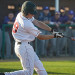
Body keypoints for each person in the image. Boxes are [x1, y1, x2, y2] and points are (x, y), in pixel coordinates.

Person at [0, 1, 63, 75]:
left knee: (40, 68)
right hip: (24, 47)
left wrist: (52, 31)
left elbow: (38, 22)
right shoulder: (26, 24)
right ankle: (5, 74)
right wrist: (55, 35)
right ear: (26, 12)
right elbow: (40, 37)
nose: (33, 14)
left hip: (24, 46)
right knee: (28, 72)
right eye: (31, 13)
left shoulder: (20, 14)